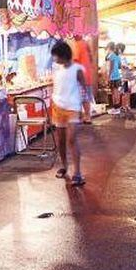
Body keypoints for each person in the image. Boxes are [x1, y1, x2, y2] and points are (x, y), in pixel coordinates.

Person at [51, 41, 86, 186]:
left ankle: (77, 173)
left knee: (71, 139)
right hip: (57, 107)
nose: (54, 59)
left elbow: (85, 88)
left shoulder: (77, 69)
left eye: (56, 56)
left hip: (73, 107)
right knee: (60, 140)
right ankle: (64, 167)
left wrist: (86, 110)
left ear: (64, 55)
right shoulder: (56, 69)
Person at [72, 35, 94, 123]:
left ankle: (86, 117)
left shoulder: (78, 44)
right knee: (86, 97)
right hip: (87, 75)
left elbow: (75, 61)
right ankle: (86, 116)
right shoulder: (85, 44)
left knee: (82, 97)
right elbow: (91, 60)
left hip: (81, 76)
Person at [117, 43, 133, 115]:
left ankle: (123, 106)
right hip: (125, 76)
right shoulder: (123, 57)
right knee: (126, 91)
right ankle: (127, 106)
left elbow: (123, 66)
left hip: (121, 76)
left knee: (123, 92)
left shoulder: (120, 57)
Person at [106, 42, 122, 115]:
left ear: (109, 48)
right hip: (118, 76)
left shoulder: (111, 56)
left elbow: (110, 67)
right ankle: (116, 108)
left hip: (113, 76)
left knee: (114, 93)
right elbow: (119, 66)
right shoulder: (117, 56)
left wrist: (108, 76)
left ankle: (116, 108)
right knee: (116, 92)